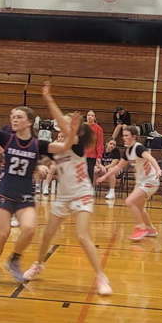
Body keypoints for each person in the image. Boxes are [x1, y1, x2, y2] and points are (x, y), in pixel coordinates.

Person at [0, 78, 78, 285]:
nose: (14, 120)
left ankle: (14, 260)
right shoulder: (6, 138)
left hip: (25, 194)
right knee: (4, 232)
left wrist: (71, 132)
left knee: (30, 229)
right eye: (12, 116)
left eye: (19, 117)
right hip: (5, 191)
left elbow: (63, 148)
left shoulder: (37, 144)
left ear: (29, 122)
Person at [23, 84, 112, 296]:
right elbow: (40, 159)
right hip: (62, 197)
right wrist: (40, 166)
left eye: (69, 124)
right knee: (47, 234)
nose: (64, 126)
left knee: (82, 236)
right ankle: (38, 264)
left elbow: (65, 127)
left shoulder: (77, 145)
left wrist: (49, 99)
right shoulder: (56, 146)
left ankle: (101, 276)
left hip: (82, 195)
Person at [96, 125, 162, 240]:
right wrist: (104, 176)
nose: (124, 138)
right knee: (140, 208)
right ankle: (150, 229)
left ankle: (141, 227)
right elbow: (117, 167)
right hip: (141, 182)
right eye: (123, 136)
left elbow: (151, 158)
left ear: (134, 137)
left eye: (126, 136)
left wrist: (157, 169)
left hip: (150, 180)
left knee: (129, 201)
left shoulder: (138, 148)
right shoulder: (127, 151)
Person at [83, 109, 104, 182]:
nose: (90, 117)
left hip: (92, 155)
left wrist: (99, 156)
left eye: (92, 115)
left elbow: (100, 143)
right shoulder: (82, 127)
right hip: (81, 154)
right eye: (88, 115)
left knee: (89, 173)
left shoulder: (98, 129)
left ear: (95, 118)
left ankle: (89, 191)